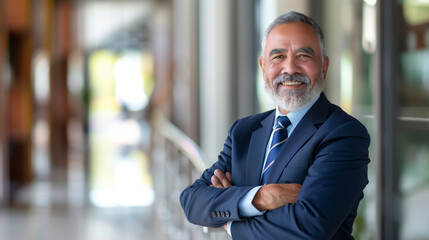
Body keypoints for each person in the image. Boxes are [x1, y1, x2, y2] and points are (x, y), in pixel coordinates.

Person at [180, 11, 370, 240]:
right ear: (263, 67)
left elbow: (308, 228)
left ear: (324, 66)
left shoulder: (344, 133)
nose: (290, 68)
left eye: (304, 55)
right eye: (278, 56)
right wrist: (262, 196)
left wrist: (231, 222)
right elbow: (192, 201)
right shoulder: (244, 132)